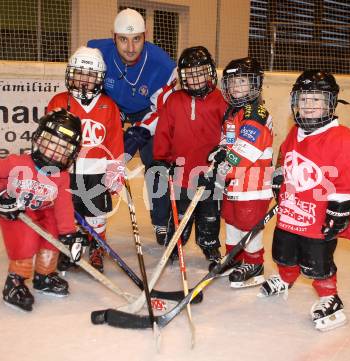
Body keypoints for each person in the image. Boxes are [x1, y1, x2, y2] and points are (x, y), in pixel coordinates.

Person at [259, 70, 350, 332]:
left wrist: (340, 209)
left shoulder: (342, 138)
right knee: (283, 252)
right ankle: (285, 277)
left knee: (317, 263)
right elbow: (285, 156)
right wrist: (279, 177)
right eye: (304, 99)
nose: (309, 106)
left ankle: (330, 297)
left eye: (316, 100)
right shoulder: (296, 132)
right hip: (291, 211)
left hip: (317, 217)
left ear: (330, 103)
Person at [0, 109, 87, 312]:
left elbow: (63, 205)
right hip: (16, 212)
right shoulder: (17, 163)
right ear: (39, 139)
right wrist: (0, 194)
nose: (56, 152)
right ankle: (14, 283)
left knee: (53, 235)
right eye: (52, 143)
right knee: (25, 240)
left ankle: (44, 276)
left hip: (42, 211)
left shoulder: (61, 176)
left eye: (64, 148)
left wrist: (68, 232)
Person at [87, 8, 176, 245]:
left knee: (157, 161)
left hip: (148, 110)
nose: (130, 47)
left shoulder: (164, 65)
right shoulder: (96, 51)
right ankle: (89, 216)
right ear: (113, 36)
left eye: (136, 39)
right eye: (123, 39)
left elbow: (164, 108)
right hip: (111, 107)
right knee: (97, 157)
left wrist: (141, 131)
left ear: (145, 37)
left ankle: (161, 221)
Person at [47, 46, 124, 273]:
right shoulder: (59, 101)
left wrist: (115, 171)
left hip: (97, 172)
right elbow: (48, 138)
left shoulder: (108, 106)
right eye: (80, 73)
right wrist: (49, 168)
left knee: (96, 213)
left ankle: (97, 247)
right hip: (66, 172)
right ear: (70, 73)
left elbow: (114, 141)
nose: (84, 80)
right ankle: (70, 247)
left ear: (99, 78)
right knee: (66, 213)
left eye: (90, 75)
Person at [153, 46, 226, 263]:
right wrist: (161, 158)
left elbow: (229, 131)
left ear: (210, 72)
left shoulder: (220, 100)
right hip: (182, 172)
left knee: (209, 214)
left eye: (200, 72)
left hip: (209, 173)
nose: (195, 79)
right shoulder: (174, 100)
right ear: (182, 77)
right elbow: (164, 131)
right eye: (189, 75)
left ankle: (210, 245)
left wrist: (225, 155)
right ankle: (175, 244)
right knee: (180, 214)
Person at [207, 58, 273, 286]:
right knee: (233, 220)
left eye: (242, 81)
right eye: (232, 82)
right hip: (234, 183)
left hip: (253, 185)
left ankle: (254, 264)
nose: (236, 87)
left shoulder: (257, 113)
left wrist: (224, 164)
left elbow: (246, 150)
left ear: (255, 84)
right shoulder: (233, 112)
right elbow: (229, 141)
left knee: (248, 223)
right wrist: (219, 151)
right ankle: (234, 258)